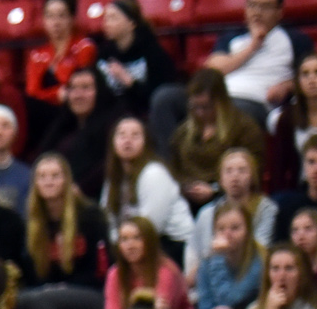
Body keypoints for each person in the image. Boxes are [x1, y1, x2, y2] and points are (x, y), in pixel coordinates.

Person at [18, 153, 109, 309]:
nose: (48, 182)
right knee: (21, 301)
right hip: (47, 294)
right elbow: (32, 274)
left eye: (55, 176)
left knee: (38, 301)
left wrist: (61, 288)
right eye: (42, 177)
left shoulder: (90, 217)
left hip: (91, 294)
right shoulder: (32, 223)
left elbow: (100, 269)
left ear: (67, 180)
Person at [200, 0, 317, 123]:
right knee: (169, 98)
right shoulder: (232, 36)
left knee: (230, 111)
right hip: (219, 98)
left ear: (279, 11)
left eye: (265, 7)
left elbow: (313, 74)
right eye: (252, 5)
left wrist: (287, 86)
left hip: (256, 103)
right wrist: (252, 46)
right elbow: (213, 69)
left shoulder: (295, 39)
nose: (257, 12)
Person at [168, 69, 265, 208]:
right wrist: (185, 187)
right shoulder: (183, 132)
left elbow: (254, 170)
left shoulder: (244, 128)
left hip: (228, 200)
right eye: (195, 107)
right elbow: (174, 167)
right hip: (186, 200)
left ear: (221, 103)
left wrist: (215, 190)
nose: (200, 113)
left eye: (206, 107)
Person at [103, 116, 195, 259]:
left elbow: (151, 228)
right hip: (132, 242)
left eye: (135, 135)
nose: (128, 140)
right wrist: (117, 242)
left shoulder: (154, 173)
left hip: (171, 245)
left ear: (146, 142)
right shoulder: (114, 177)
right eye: (121, 135)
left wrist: (123, 243)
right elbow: (107, 219)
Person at [186, 149, 275, 282]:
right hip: (210, 280)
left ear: (252, 177)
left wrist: (222, 250)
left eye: (242, 170)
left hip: (250, 277)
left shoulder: (266, 208)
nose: (235, 177)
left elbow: (261, 250)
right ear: (220, 180)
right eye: (229, 171)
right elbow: (194, 255)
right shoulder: (206, 214)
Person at [104, 216, 198, 309]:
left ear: (149, 241)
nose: (130, 246)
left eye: (137, 238)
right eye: (124, 240)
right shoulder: (115, 273)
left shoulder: (166, 271)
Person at [92, 0, 180, 122]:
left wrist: (129, 82)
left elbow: (159, 96)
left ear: (131, 23)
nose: (107, 23)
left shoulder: (153, 53)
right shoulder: (104, 54)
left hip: (142, 114)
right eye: (106, 18)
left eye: (113, 18)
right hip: (109, 116)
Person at [37, 67, 118, 199]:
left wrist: (80, 188)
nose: (78, 95)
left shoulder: (112, 125)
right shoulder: (61, 126)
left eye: (85, 88)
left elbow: (110, 163)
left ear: (99, 91)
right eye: (73, 88)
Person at [26, 0, 99, 123]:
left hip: (76, 112)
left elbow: (74, 87)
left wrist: (50, 94)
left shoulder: (85, 48)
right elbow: (32, 94)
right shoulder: (36, 55)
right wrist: (56, 94)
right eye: (50, 16)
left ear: (72, 18)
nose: (56, 22)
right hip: (45, 114)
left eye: (61, 16)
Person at [266, 53, 317, 190]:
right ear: (298, 81)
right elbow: (279, 167)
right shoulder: (287, 119)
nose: (312, 79)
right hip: (303, 189)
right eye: (305, 74)